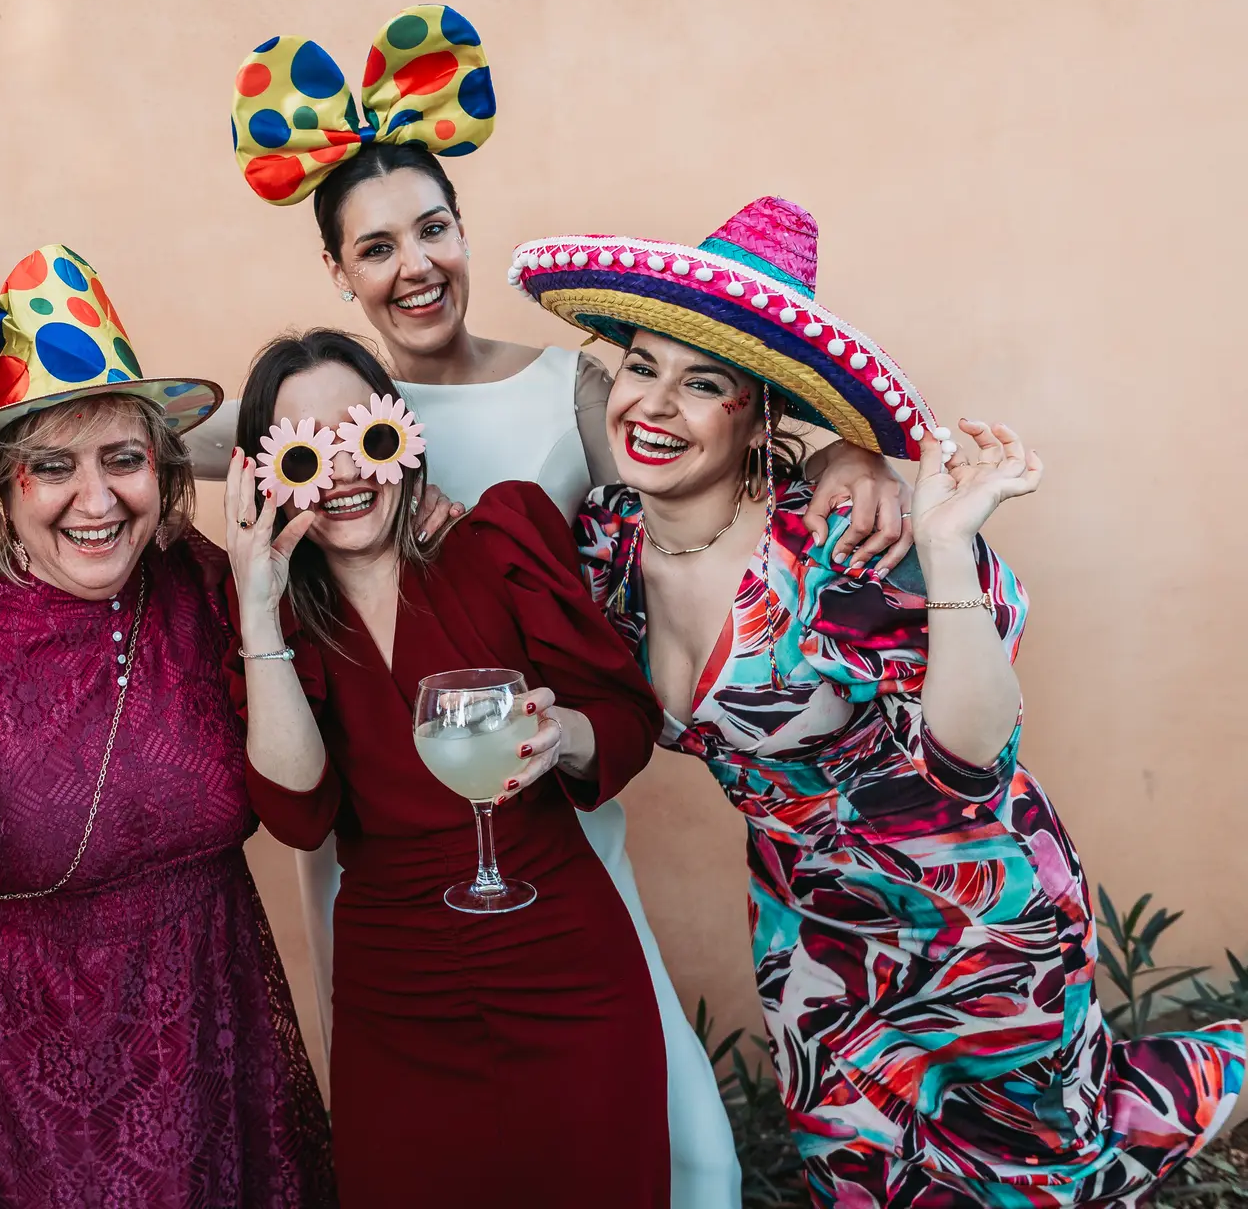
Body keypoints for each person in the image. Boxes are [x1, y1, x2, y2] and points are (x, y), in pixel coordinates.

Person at [211, 4, 903, 1205]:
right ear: (338, 271)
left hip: (548, 824)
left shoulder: (569, 392)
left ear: (462, 229)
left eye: (433, 228)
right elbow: (149, 443)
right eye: (376, 246)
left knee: (671, 1145)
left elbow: (702, 432)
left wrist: (846, 451)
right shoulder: (314, 423)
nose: (414, 264)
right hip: (385, 865)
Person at [518, 195, 1247, 1203]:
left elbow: (973, 760)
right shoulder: (605, 543)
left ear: (759, 412)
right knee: (861, 1179)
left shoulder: (838, 545)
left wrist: (944, 545)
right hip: (811, 933)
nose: (656, 404)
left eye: (705, 383)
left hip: (972, 913)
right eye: (643, 367)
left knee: (1034, 1170)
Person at [0, 246, 334, 1208]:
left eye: (124, 458)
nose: (97, 498)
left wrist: (261, 612)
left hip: (211, 1041)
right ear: (3, 491)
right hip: (11, 1076)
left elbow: (304, 806)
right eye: (52, 466)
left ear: (162, 472)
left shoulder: (207, 585)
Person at [224, 327, 670, 1206]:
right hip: (397, 995)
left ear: (402, 436)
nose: (343, 470)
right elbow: (298, 814)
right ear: (271, 477)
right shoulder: (278, 619)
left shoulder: (501, 537)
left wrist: (564, 734)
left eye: (364, 435)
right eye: (308, 452)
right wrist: (259, 612)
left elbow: (624, 722)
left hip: (563, 961)